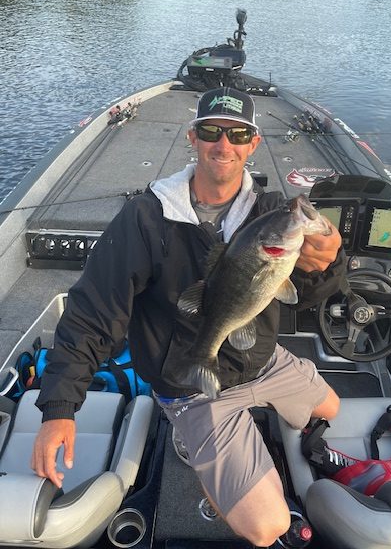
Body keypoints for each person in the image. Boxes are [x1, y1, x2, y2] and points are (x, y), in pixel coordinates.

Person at [32, 86, 345, 547]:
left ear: (254, 144)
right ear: (193, 137)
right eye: (212, 131)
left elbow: (305, 297)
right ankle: (196, 448)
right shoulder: (144, 218)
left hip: (259, 359)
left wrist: (329, 263)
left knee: (332, 409)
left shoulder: (272, 213)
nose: (225, 144)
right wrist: (59, 409)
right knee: (266, 528)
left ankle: (235, 437)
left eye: (239, 134)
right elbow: (93, 313)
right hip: (187, 381)